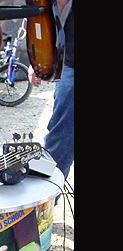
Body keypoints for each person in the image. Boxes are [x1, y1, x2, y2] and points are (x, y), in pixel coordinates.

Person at [28, 0, 73, 180]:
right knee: (61, 140)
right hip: (72, 65)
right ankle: (48, 193)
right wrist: (41, 57)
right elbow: (50, 11)